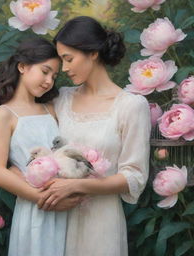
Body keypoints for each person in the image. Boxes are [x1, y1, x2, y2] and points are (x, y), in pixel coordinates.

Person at [37, 16, 151, 256]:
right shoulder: (61, 98)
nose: (64, 68)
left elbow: (134, 176)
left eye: (69, 59)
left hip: (101, 222)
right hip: (56, 218)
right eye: (61, 60)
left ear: (93, 53)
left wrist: (76, 186)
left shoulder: (131, 106)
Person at [0, 37, 80, 256]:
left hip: (64, 205)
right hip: (35, 206)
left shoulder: (51, 109)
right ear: (22, 67)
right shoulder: (5, 114)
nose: (49, 81)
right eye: (45, 71)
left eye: (54, 76)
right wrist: (41, 198)